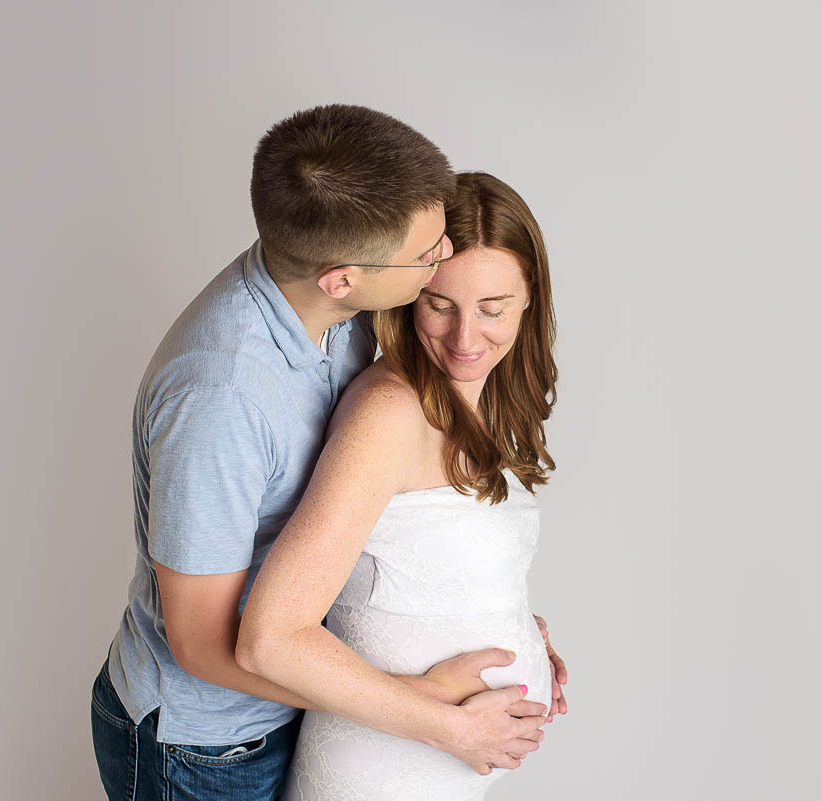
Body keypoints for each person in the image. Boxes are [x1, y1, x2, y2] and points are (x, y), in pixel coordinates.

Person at [89, 106, 565, 801]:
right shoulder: (220, 397)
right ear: (342, 277)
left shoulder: (339, 304)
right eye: (427, 260)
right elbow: (204, 644)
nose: (442, 256)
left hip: (303, 705)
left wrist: (504, 630)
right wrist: (423, 707)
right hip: (206, 745)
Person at [235, 171, 566, 800]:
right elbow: (271, 639)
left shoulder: (480, 400)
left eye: (492, 309)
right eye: (439, 305)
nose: (464, 339)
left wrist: (516, 629)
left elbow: (421, 560)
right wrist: (454, 728)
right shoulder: (388, 414)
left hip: (443, 766)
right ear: (409, 293)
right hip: (383, 767)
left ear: (530, 299)